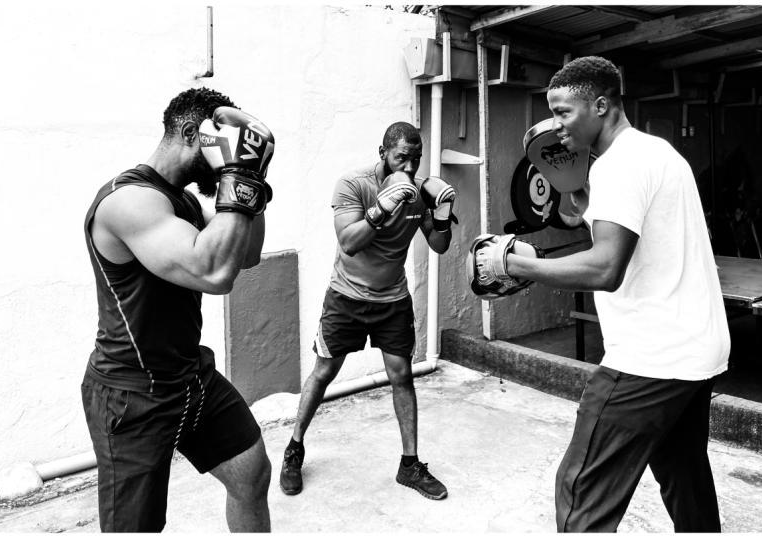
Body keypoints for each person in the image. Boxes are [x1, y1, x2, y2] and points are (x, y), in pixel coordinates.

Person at [469, 56, 730, 531]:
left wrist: (515, 263)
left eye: (565, 112)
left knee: (581, 490)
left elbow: (606, 267)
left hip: (651, 360)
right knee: (684, 478)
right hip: (697, 352)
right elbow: (616, 227)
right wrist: (578, 197)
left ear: (603, 105)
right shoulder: (657, 153)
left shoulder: (619, 166)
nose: (556, 125)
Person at [81, 87, 275, 532]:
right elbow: (214, 273)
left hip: (190, 375)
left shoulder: (184, 201)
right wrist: (240, 176)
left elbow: (245, 255)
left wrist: (253, 183)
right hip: (134, 394)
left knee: (251, 474)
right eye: (220, 142)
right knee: (137, 529)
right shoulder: (127, 201)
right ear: (192, 133)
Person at [279, 122, 456, 501]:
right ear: (383, 153)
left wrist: (442, 212)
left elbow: (439, 245)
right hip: (346, 297)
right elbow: (349, 242)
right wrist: (382, 206)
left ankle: (409, 465)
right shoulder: (353, 184)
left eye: (415, 159)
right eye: (400, 158)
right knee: (325, 371)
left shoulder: (420, 192)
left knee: (402, 375)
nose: (409, 167)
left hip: (392, 300)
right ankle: (294, 449)